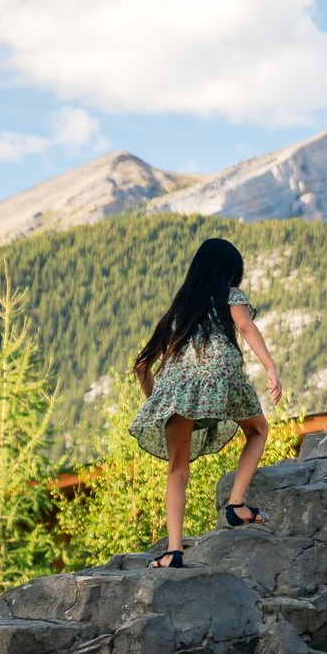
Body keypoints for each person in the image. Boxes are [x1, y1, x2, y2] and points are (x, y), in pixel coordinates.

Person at [129, 237, 284, 569]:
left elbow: (141, 367)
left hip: (177, 385)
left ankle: (173, 551)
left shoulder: (178, 311)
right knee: (257, 431)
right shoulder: (230, 295)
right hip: (220, 374)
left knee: (177, 469)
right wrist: (270, 367)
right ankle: (236, 504)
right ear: (227, 272)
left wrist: (160, 403)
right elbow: (244, 324)